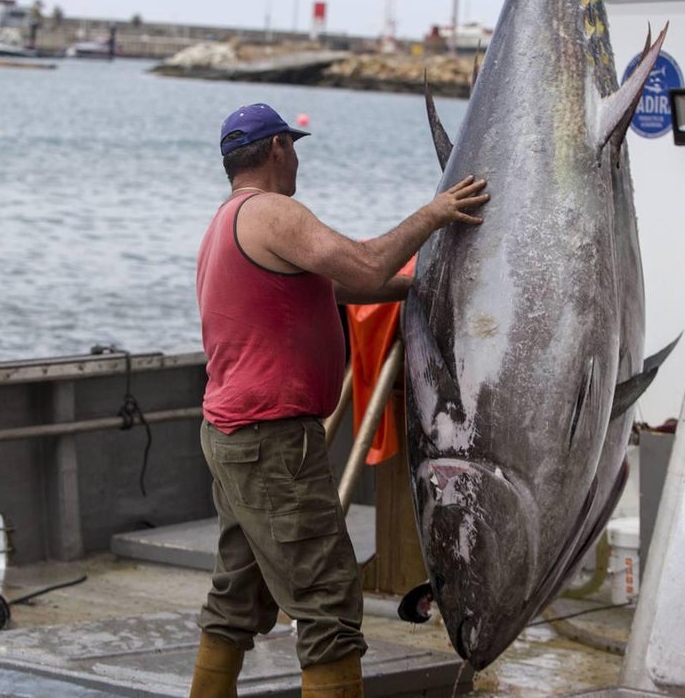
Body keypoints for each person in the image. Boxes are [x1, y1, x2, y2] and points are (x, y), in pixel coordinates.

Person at [190, 102, 488, 698]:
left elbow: (350, 282)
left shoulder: (228, 219)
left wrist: (424, 284)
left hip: (234, 436)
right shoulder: (272, 212)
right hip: (270, 443)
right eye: (294, 147)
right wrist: (435, 213)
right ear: (277, 148)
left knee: (238, 594)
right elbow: (365, 261)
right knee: (328, 605)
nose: (296, 158)